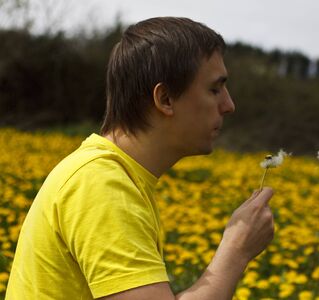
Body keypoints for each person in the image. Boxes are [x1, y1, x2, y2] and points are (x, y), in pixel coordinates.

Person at [6, 17, 274, 300]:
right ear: (165, 99)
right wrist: (236, 252)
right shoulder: (101, 185)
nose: (229, 105)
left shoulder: (113, 176)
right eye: (214, 89)